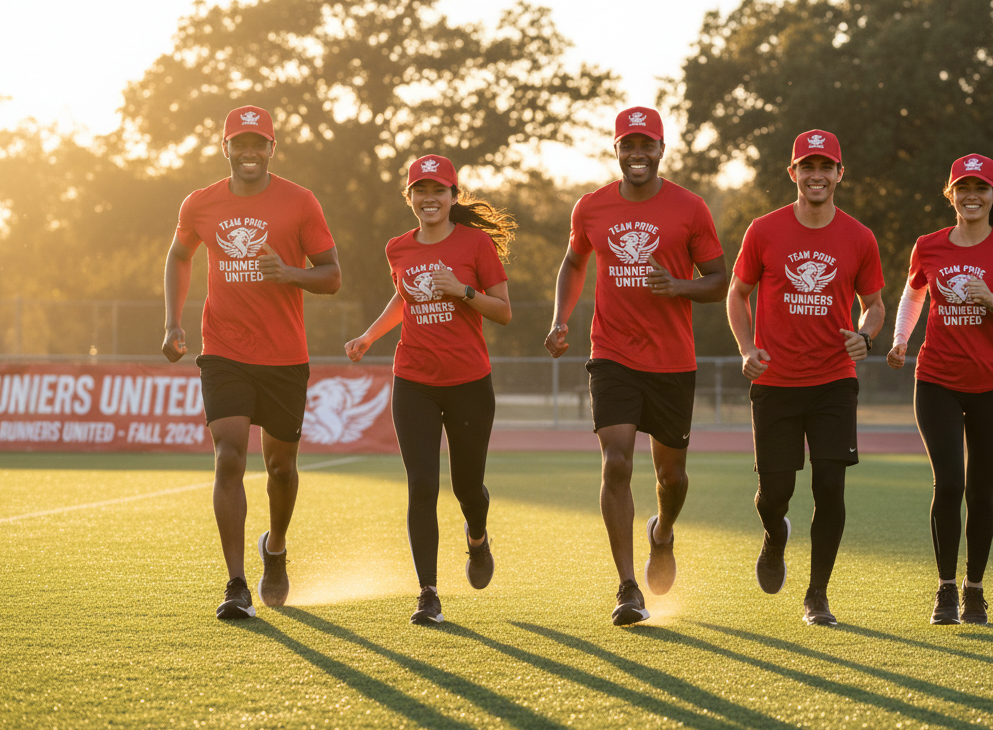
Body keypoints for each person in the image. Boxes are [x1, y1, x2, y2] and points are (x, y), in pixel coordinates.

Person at [545, 106, 726, 626]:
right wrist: (561, 319)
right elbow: (574, 261)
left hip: (672, 360)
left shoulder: (690, 209)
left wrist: (679, 286)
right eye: (629, 145)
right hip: (612, 354)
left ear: (661, 150)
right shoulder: (592, 207)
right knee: (617, 463)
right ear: (617, 150)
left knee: (672, 477)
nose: (637, 154)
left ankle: (662, 532)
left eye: (647, 145)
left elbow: (718, 279)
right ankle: (627, 587)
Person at [162, 105, 341, 619]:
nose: (248, 152)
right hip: (224, 350)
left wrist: (288, 272)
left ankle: (276, 548)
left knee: (281, 468)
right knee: (230, 455)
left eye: (256, 143)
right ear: (225, 149)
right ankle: (236, 583)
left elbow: (331, 276)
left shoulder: (300, 202)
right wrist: (174, 322)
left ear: (271, 148)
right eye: (238, 143)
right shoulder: (200, 204)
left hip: (285, 355)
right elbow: (179, 255)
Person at [345, 154, 514, 626]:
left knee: (466, 489)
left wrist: (461, 290)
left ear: (453, 197)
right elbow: (404, 297)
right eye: (420, 190)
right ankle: (428, 592)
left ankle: (477, 538)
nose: (429, 198)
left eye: (438, 190)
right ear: (410, 198)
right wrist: (368, 336)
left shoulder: (476, 245)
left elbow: (503, 311)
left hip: (468, 383)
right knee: (422, 485)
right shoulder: (397, 248)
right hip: (414, 380)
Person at [726, 129, 885, 626]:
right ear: (793, 173)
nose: (817, 175)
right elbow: (737, 294)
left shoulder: (859, 237)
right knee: (775, 493)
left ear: (840, 173)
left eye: (826, 166)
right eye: (807, 166)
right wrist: (746, 348)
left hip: (834, 381)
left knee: (830, 488)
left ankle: (817, 595)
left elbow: (875, 304)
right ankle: (775, 537)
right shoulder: (764, 230)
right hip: (774, 382)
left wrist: (866, 335)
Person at [886, 153, 993, 626]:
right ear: (950, 194)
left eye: (982, 188)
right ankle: (946, 590)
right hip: (936, 380)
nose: (972, 196)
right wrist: (899, 339)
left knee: (982, 490)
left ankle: (975, 590)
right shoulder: (928, 246)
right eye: (963, 188)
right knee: (950, 482)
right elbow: (913, 294)